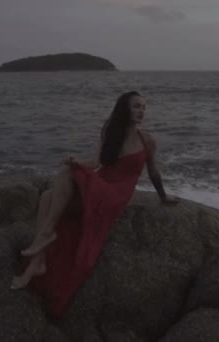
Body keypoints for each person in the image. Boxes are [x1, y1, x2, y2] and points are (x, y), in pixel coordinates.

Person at [10, 91, 179, 317]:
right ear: (124, 109)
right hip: (101, 184)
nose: (141, 111)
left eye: (144, 108)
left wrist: (163, 196)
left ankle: (45, 236)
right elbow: (95, 163)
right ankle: (38, 260)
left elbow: (154, 171)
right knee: (47, 197)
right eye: (136, 106)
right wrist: (76, 161)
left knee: (63, 178)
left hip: (115, 194)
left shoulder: (147, 140)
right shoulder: (110, 133)